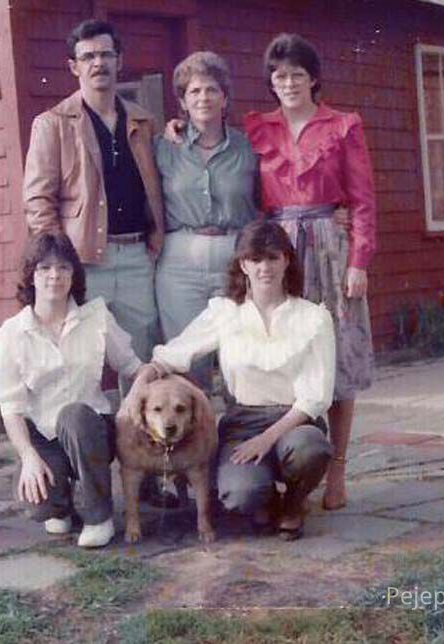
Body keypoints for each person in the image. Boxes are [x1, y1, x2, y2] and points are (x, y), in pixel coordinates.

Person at [125, 220, 335, 540]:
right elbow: (174, 353)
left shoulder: (312, 317)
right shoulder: (226, 312)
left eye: (273, 257)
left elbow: (316, 398)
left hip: (295, 421)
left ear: (287, 260)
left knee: (310, 448)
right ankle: (266, 499)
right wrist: (142, 380)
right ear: (243, 264)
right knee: (239, 495)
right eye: (255, 259)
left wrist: (266, 440)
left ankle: (294, 504)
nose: (264, 268)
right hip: (243, 422)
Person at [242, 33, 377, 511]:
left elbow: (362, 200)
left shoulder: (342, 125)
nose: (289, 83)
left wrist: (358, 261)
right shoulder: (258, 129)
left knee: (336, 359)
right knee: (286, 357)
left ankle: (337, 470)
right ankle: (293, 469)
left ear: (314, 78)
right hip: (280, 251)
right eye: (280, 75)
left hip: (330, 249)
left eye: (298, 74)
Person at [0, 232, 145, 548]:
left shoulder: (96, 317)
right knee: (39, 505)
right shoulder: (13, 332)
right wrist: (28, 457)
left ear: (74, 275)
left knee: (74, 415)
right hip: (43, 434)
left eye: (63, 267)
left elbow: (133, 366)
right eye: (44, 268)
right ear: (31, 275)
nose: (54, 276)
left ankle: (99, 517)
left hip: (91, 430)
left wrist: (136, 396)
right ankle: (61, 505)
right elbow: (11, 408)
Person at [24, 19, 164, 365]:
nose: (98, 63)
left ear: (119, 61)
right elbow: (38, 200)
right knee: (79, 356)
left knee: (140, 356)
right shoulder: (53, 123)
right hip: (83, 259)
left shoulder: (144, 122)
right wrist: (59, 259)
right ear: (74, 66)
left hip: (136, 256)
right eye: (88, 57)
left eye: (106, 55)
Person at [154, 51, 259, 388]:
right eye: (194, 91)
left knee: (239, 357)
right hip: (180, 264)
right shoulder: (163, 148)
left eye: (212, 89)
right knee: (187, 358)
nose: (203, 97)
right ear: (182, 102)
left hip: (235, 257)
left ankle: (243, 422)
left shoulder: (247, 148)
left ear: (225, 98)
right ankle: (193, 424)